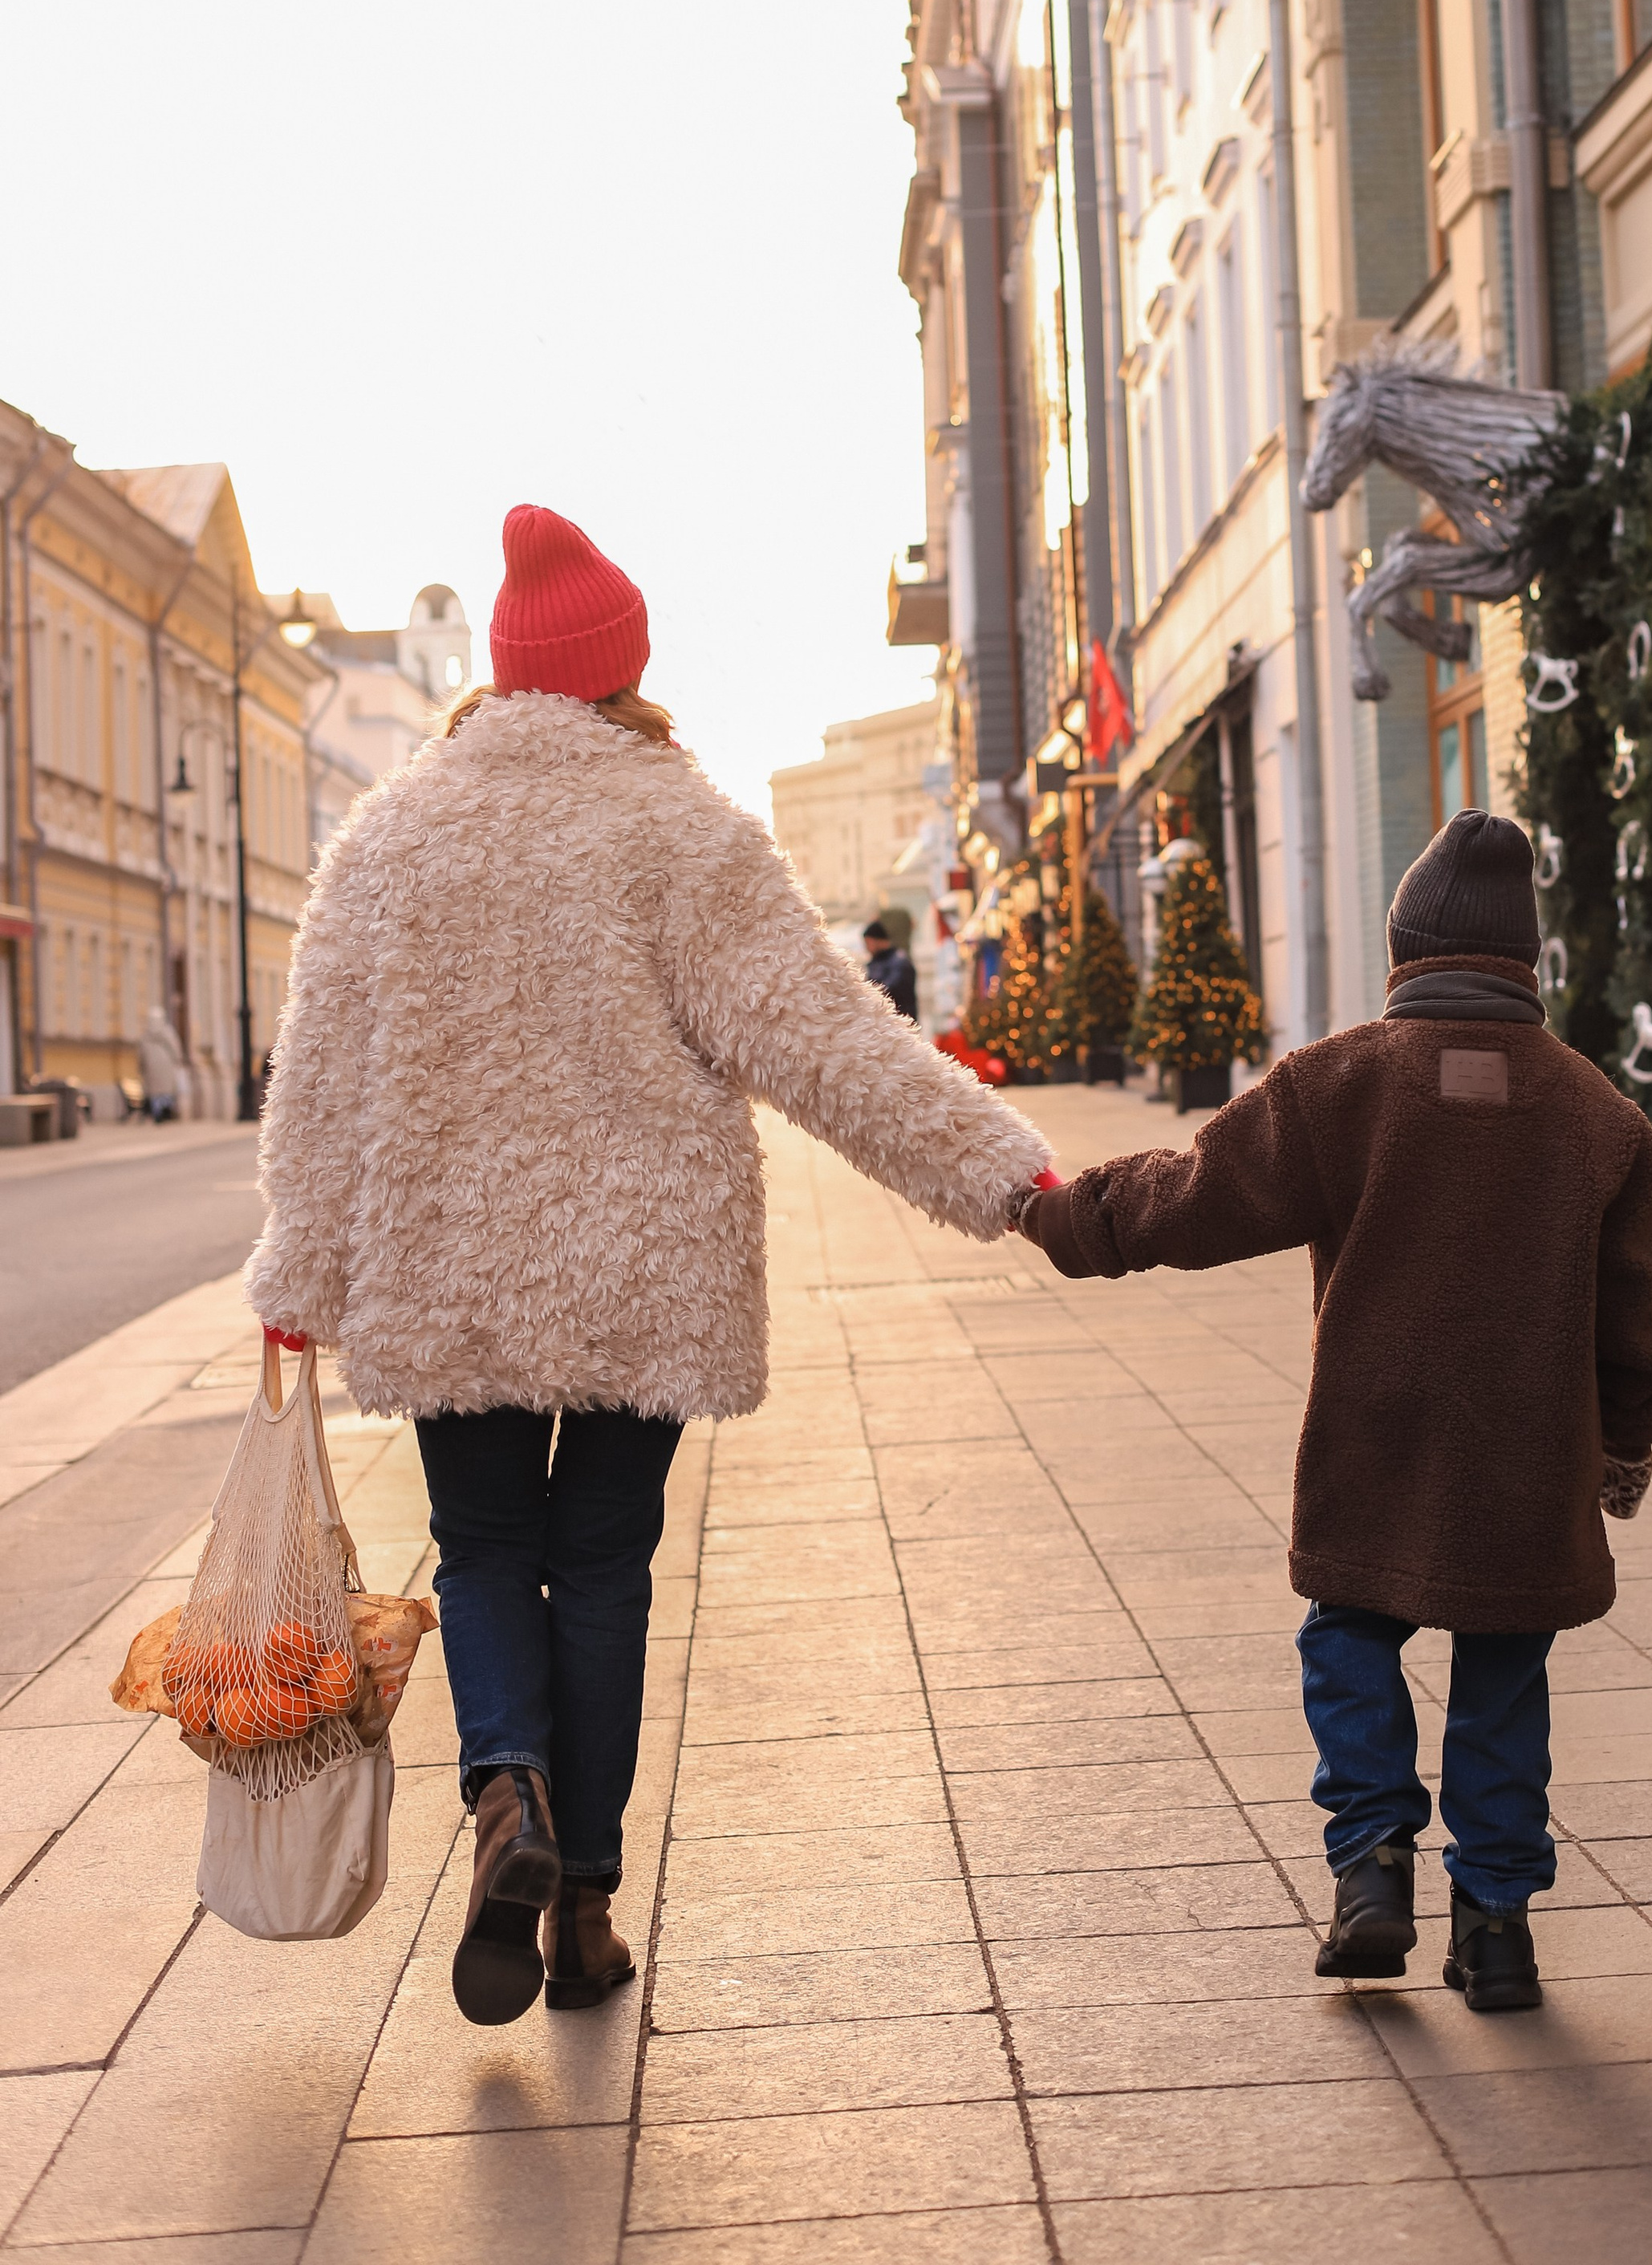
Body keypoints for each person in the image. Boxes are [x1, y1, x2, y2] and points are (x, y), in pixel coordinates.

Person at [248, 505, 1053, 2028]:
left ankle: (509, 1803)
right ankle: (589, 1910)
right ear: (623, 667)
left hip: (448, 1266)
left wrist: (300, 1266)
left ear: (504, 672)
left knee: (483, 1552)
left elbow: (321, 1076)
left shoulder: (395, 834)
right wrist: (1003, 1177)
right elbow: (822, 1039)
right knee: (605, 1567)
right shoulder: (678, 824)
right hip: (641, 1268)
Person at [1013, 808, 1652, 2014]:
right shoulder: (1602, 1117)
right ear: (1524, 960)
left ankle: (1372, 1869)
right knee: (1503, 1672)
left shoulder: (1341, 1084)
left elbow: (1196, 1195)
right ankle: (1497, 1929)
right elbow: (1634, 1320)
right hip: (1531, 1458)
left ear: (1408, 946)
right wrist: (1627, 1440)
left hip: (1379, 1434)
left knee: (1348, 1636)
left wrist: (1062, 1217)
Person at [861, 917, 919, 1021]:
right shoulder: (876, 962)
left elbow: (890, 989)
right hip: (884, 1022)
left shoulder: (899, 962)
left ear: (877, 940)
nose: (867, 948)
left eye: (868, 943)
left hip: (900, 1023)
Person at [137, 1006, 184, 1123]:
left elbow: (141, 1055)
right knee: (165, 1092)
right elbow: (175, 1049)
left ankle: (158, 1113)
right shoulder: (168, 1033)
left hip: (152, 1068)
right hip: (165, 1067)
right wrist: (177, 1060)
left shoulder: (146, 1036)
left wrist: (141, 1067)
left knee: (156, 1094)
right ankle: (165, 1112)